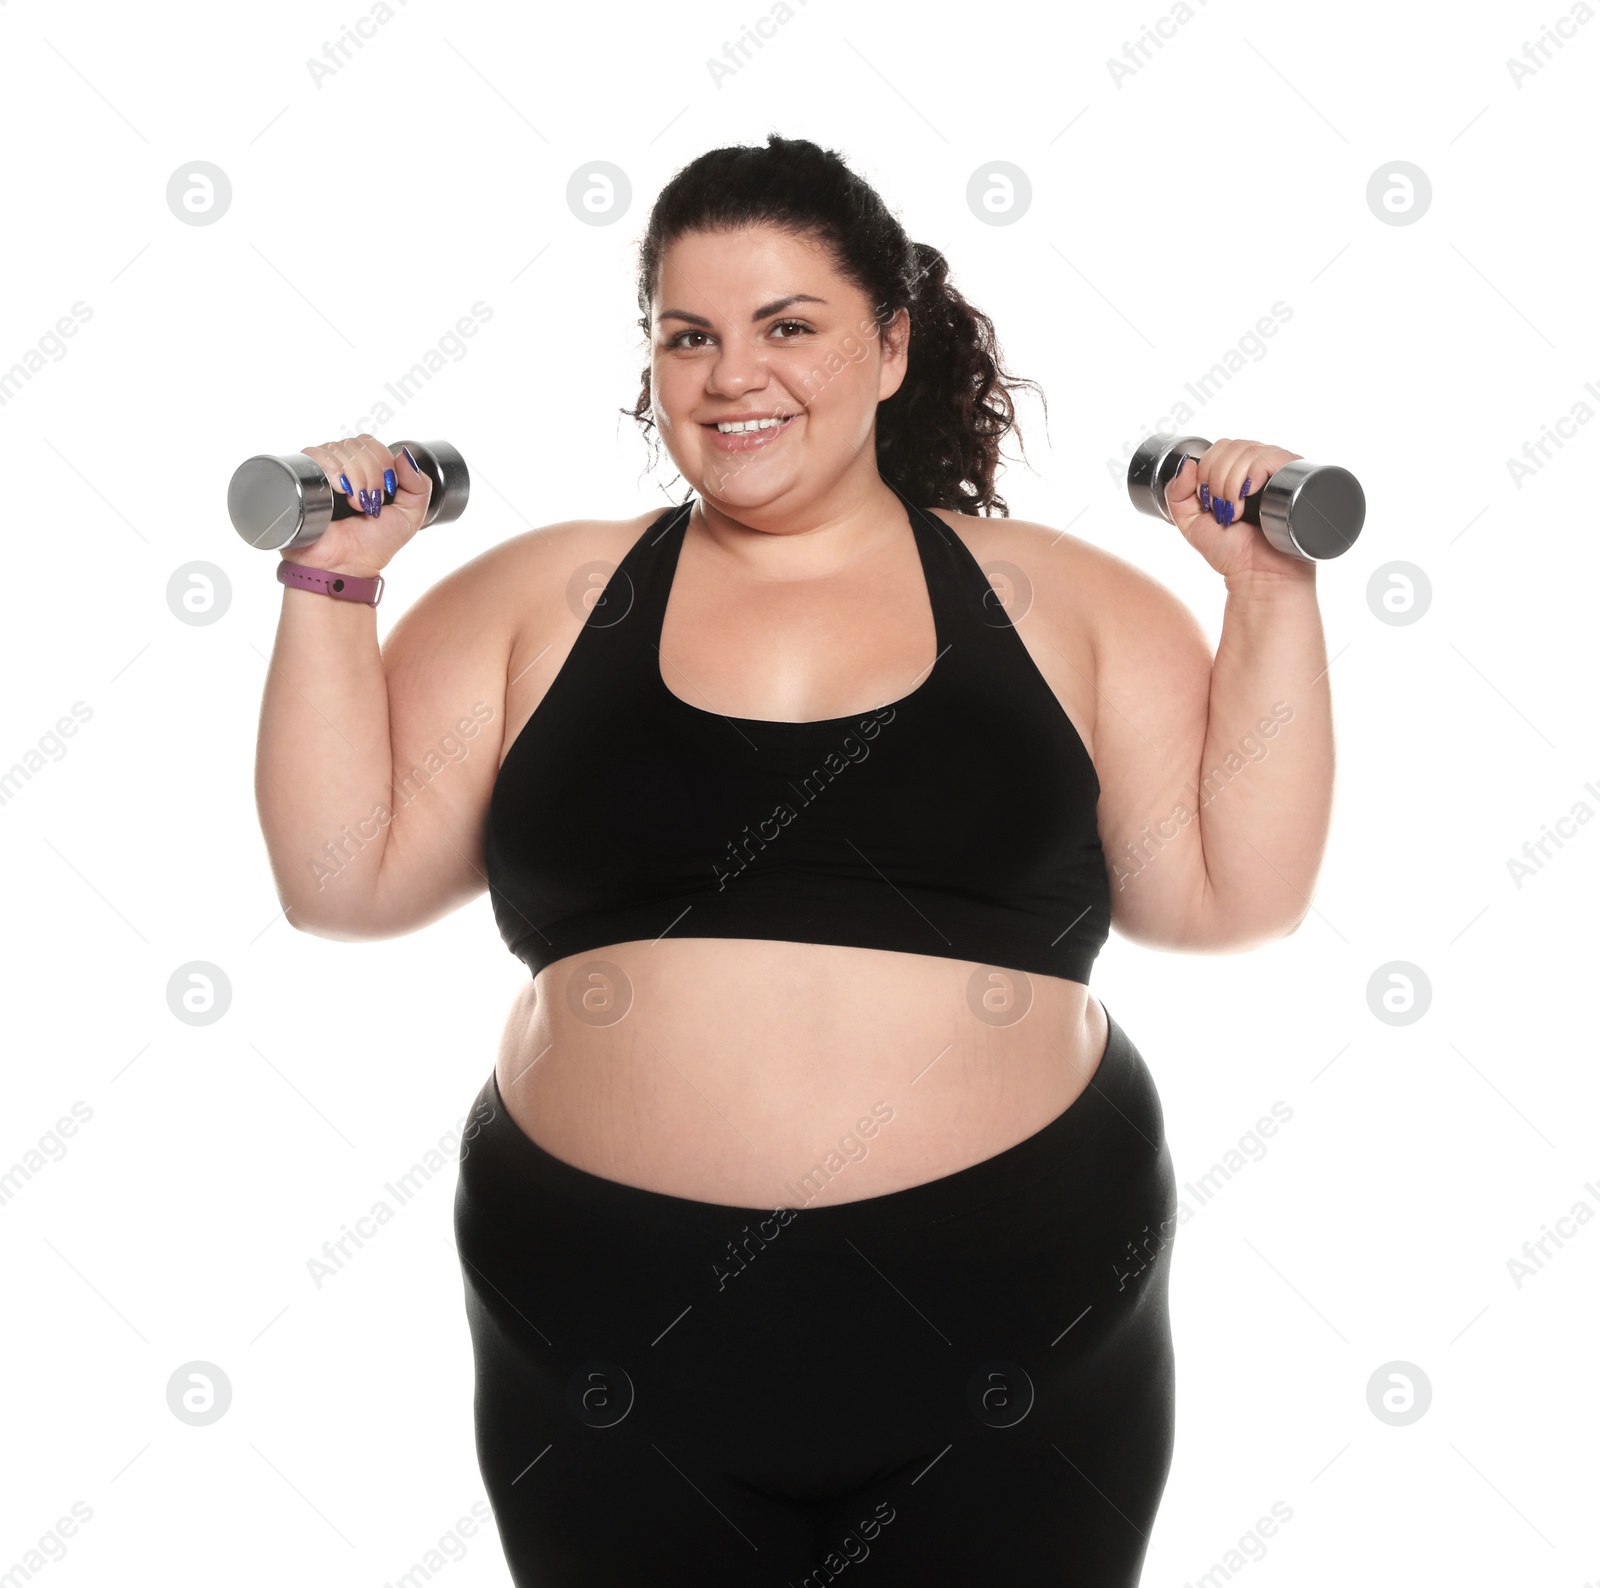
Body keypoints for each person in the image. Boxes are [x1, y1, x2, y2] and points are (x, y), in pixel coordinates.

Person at [255, 133, 1333, 1587]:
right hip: (606, 1329)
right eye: (687, 335)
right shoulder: (544, 597)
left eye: (788, 327)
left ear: (890, 348)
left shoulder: (1065, 604)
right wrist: (335, 586)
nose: (728, 376)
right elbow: (339, 882)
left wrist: (1268, 594)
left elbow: (1230, 905)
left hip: (1010, 1318)